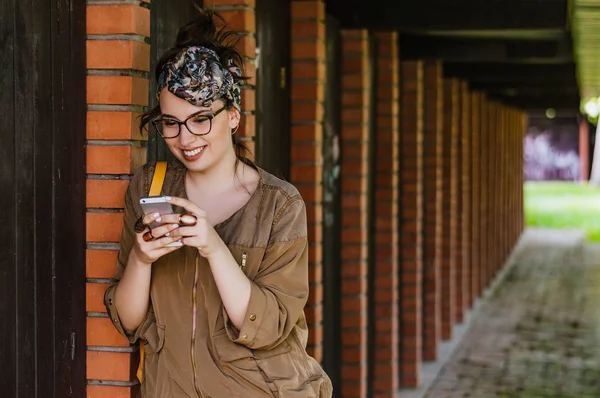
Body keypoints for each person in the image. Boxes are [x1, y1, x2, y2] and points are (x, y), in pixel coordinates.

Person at [104, 9, 332, 398]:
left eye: (201, 119)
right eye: (171, 122)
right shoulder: (150, 185)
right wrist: (142, 261)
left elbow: (269, 327)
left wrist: (213, 246)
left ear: (233, 117)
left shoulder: (279, 204)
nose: (185, 137)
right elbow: (128, 320)